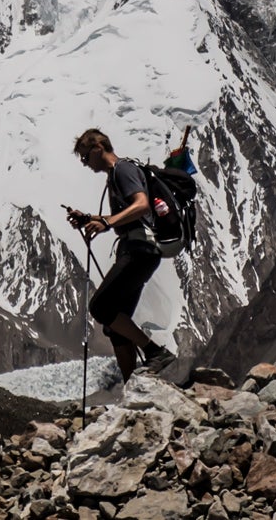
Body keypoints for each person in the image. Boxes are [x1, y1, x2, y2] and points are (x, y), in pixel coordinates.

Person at [66, 127, 175, 382]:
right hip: (139, 250)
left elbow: (141, 205)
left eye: (85, 157)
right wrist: (89, 219)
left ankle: (154, 351)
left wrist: (107, 223)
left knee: (101, 307)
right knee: (115, 325)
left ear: (98, 148)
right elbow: (129, 215)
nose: (85, 164)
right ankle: (133, 387)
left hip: (140, 250)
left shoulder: (123, 170)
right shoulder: (117, 174)